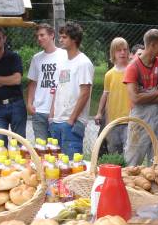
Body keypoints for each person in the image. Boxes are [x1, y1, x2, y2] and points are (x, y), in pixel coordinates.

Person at [49, 22, 94, 158]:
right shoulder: (63, 61)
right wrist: (52, 115)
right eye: (60, 37)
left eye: (64, 37)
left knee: (70, 166)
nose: (60, 40)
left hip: (72, 122)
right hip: (57, 120)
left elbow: (85, 92)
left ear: (74, 39)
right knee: (56, 165)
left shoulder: (83, 62)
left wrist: (72, 119)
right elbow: (58, 89)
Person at [123, 29, 158, 166]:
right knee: (133, 157)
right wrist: (157, 91)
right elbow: (135, 98)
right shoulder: (133, 67)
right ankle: (129, 186)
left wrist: (145, 96)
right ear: (153, 44)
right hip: (139, 118)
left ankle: (155, 186)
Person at [26, 23, 67, 141]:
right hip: (38, 110)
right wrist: (29, 103)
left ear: (52, 35)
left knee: (56, 150)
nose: (39, 38)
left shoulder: (64, 55)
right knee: (41, 148)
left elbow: (65, 83)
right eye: (37, 36)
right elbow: (32, 83)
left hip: (58, 111)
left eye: (42, 35)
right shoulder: (36, 58)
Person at [94, 37, 131, 154]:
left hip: (129, 119)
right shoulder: (109, 74)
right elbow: (105, 94)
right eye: (119, 50)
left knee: (128, 151)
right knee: (113, 150)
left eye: (125, 50)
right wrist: (99, 112)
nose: (122, 53)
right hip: (113, 120)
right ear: (113, 53)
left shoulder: (132, 70)